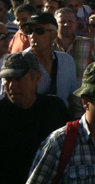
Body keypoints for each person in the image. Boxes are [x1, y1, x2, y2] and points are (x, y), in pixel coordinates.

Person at [0, 52, 69, 184]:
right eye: (7, 79)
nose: (11, 86)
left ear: (37, 78)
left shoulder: (54, 108)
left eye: (18, 79)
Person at [1, 12, 78, 109]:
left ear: (53, 35)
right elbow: (5, 99)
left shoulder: (67, 60)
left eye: (39, 31)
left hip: (59, 120)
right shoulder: (16, 62)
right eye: (29, 31)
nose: (33, 35)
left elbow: (73, 97)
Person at [54, 8, 95, 85]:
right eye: (62, 21)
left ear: (76, 25)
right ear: (55, 24)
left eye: (70, 21)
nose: (66, 24)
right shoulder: (48, 46)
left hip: (82, 95)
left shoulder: (89, 44)